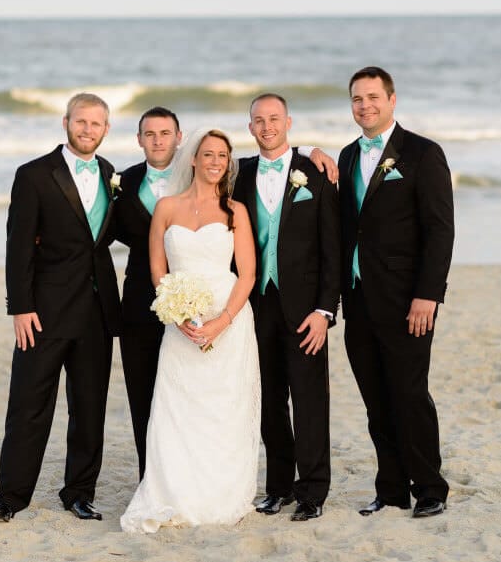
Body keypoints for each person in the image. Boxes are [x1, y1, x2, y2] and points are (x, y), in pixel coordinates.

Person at [0, 93, 122, 524]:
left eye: (96, 124)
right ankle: (10, 497)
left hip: (97, 312)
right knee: (28, 405)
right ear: (66, 123)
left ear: (106, 130)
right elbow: (18, 246)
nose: (87, 130)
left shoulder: (109, 173)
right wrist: (20, 307)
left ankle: (79, 492)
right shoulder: (34, 175)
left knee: (89, 409)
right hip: (43, 312)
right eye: (81, 122)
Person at [120, 129, 261, 533]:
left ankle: (220, 491)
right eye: (208, 154)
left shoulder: (236, 211)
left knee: (222, 409)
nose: (216, 161)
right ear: (193, 159)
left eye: (223, 155)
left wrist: (222, 322)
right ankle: (174, 490)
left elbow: (247, 274)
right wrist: (176, 313)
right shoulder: (166, 208)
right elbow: (158, 269)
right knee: (178, 408)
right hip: (180, 324)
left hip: (228, 321)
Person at [336, 66, 454, 519]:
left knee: (409, 393)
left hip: (409, 301)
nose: (364, 105)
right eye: (356, 99)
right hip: (359, 297)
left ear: (391, 99)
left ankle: (429, 487)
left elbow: (440, 230)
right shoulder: (347, 157)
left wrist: (428, 295)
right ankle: (390, 489)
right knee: (374, 397)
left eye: (372, 97)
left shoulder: (423, 153)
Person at [233, 93, 341, 522]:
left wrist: (325, 310)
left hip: (305, 308)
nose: (266, 126)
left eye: (274, 118)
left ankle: (313, 490)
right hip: (255, 305)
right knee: (268, 398)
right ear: (250, 128)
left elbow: (332, 247)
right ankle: (278, 487)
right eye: (258, 120)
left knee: (310, 398)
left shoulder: (315, 172)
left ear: (289, 122)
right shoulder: (238, 175)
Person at [111, 107, 183, 479]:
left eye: (165, 133)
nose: (158, 140)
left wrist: (310, 150)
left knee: (187, 393)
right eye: (150, 134)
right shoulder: (122, 183)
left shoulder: (199, 175)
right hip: (139, 302)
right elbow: (98, 229)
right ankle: (150, 478)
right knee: (143, 394)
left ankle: (187, 475)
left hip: (193, 299)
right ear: (139, 140)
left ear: (179, 137)